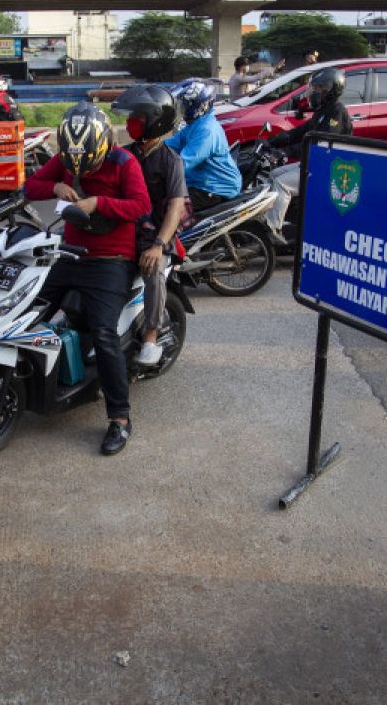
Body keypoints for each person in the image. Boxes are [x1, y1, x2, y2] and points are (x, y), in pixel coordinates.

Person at [24, 102, 151, 455]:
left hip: (111, 259)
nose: (78, 169)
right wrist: (56, 189)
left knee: (103, 332)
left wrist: (98, 202)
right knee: (30, 312)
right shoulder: (66, 158)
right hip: (69, 254)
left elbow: (141, 206)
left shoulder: (125, 162)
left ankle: (120, 420)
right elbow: (30, 185)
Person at [113, 84, 189, 367]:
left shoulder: (171, 161)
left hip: (154, 235)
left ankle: (151, 336)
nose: (131, 122)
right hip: (123, 229)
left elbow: (176, 206)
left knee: (153, 271)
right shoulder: (124, 154)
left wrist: (159, 245)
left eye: (137, 117)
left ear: (155, 121)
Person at [264, 67, 354, 245]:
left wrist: (286, 152)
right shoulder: (323, 110)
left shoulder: (336, 112)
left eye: (319, 88)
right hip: (313, 163)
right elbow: (299, 132)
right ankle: (276, 218)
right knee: (273, 175)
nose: (314, 93)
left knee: (282, 184)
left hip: (327, 169)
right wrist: (271, 141)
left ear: (330, 90)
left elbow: (317, 143)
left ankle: (272, 229)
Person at [165, 78, 242, 213]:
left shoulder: (206, 130)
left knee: (166, 208)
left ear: (199, 105)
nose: (181, 109)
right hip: (201, 182)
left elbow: (184, 163)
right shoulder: (196, 125)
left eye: (185, 105)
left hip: (215, 187)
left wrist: (157, 171)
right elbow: (169, 145)